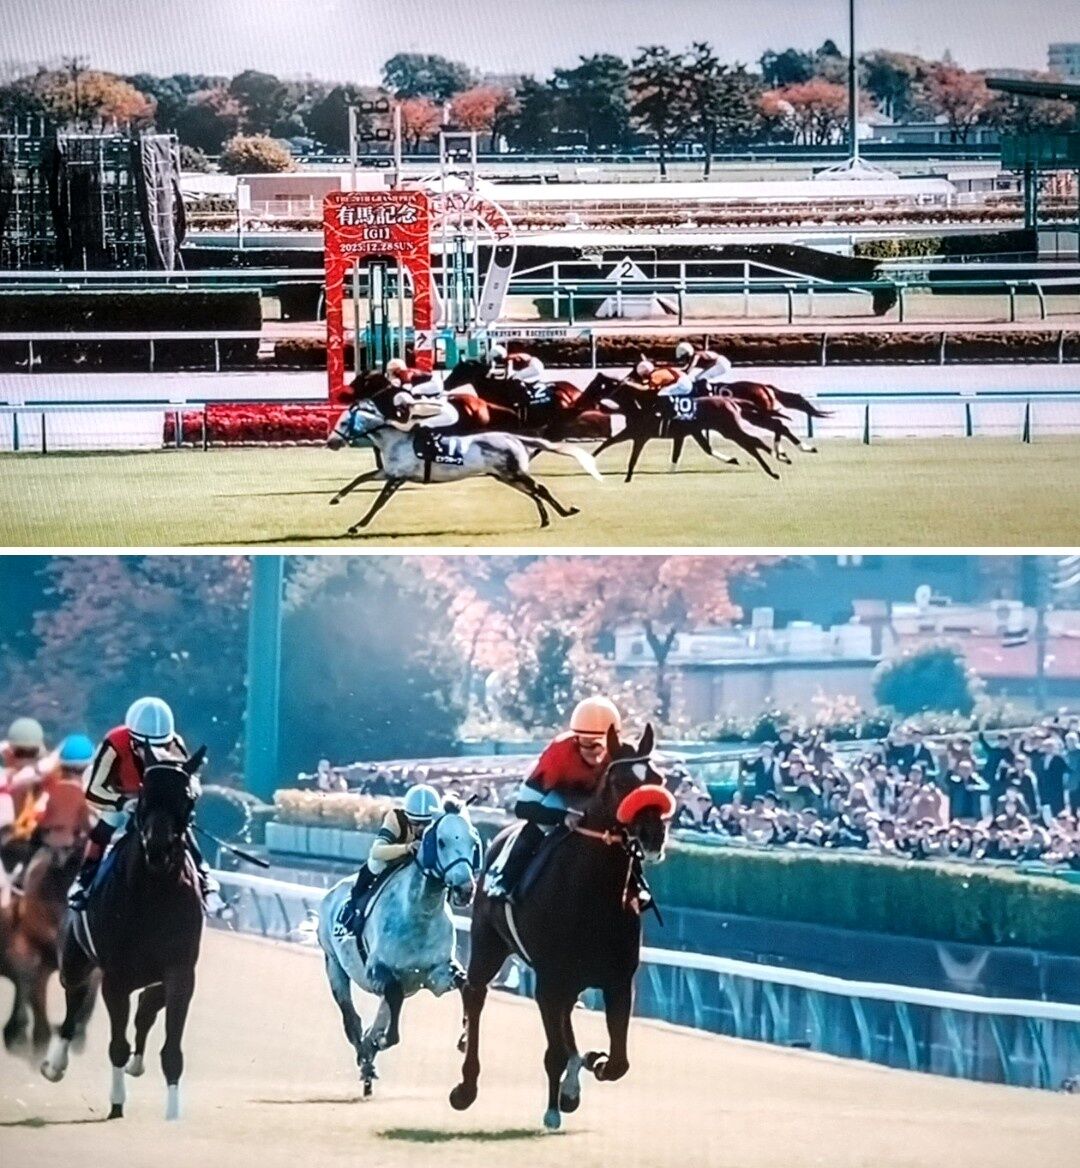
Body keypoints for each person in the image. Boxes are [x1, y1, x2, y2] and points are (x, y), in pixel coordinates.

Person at [68, 697, 217, 911]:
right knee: (104, 828)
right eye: (143, 746)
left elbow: (190, 780)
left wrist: (189, 795)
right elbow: (93, 790)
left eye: (160, 746)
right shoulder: (114, 743)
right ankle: (84, 880)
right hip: (118, 792)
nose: (152, 753)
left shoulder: (175, 745)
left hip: (154, 800)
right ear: (131, 739)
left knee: (182, 829)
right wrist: (123, 802)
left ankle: (206, 880)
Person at [488, 696, 620, 902]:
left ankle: (637, 883)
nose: (595, 752)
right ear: (575, 739)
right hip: (559, 794)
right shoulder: (559, 753)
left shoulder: (620, 753)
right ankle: (505, 878)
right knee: (541, 825)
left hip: (595, 797)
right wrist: (562, 816)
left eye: (602, 744)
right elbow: (523, 808)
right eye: (587, 743)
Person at [340, 782, 443, 931]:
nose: (421, 828)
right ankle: (354, 907)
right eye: (416, 822)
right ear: (407, 816)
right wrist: (407, 848)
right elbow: (376, 851)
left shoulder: (441, 823)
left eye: (426, 823)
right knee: (376, 863)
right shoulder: (396, 818)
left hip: (422, 867)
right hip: (394, 861)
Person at [384, 358, 460, 474]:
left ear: (396, 370)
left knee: (412, 394)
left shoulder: (405, 375)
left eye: (391, 371)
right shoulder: (404, 374)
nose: (389, 374)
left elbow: (405, 391)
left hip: (434, 384)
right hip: (433, 384)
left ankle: (434, 448)